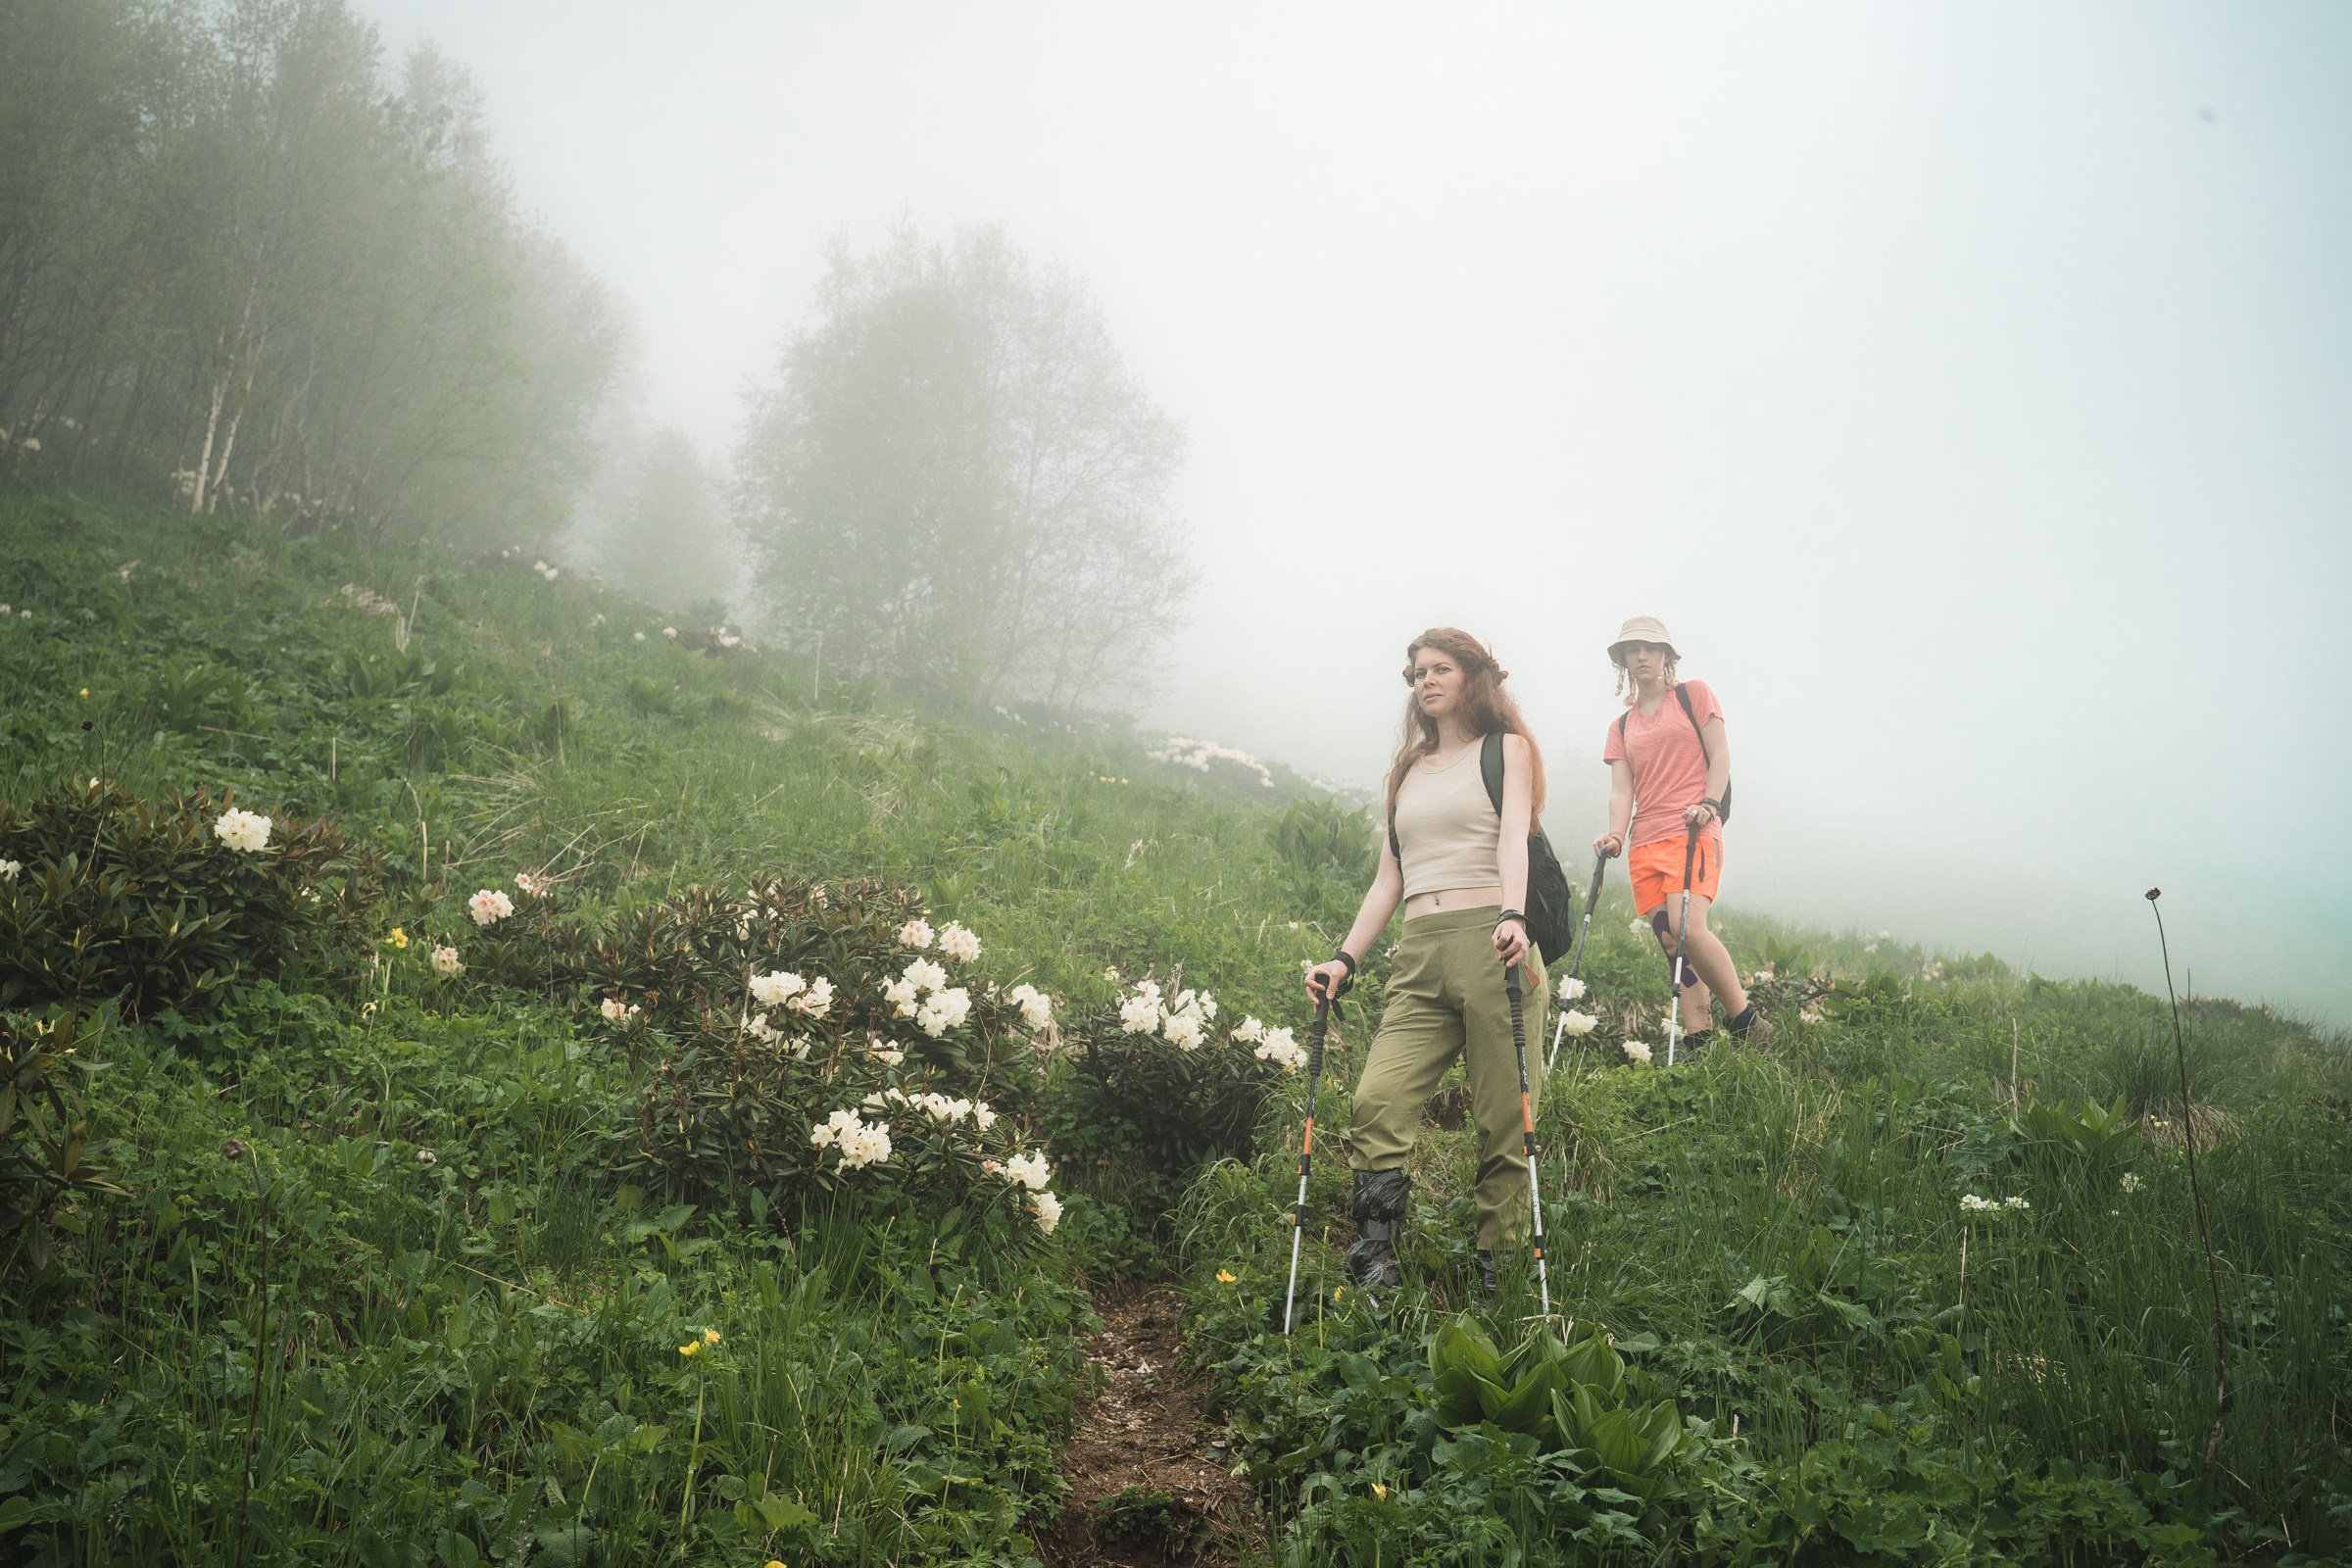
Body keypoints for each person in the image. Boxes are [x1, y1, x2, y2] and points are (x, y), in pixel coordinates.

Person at [1304, 628, 1548, 1298]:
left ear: (1474, 677)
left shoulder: (1508, 752)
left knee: (1503, 1122)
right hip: (1419, 952)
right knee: (1376, 1099)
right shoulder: (1406, 771)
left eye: (1441, 669)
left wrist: (1513, 915)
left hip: (1492, 942)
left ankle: (1498, 1277)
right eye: (1416, 673)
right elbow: (1389, 878)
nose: (1426, 681)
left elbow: (1512, 843)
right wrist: (1344, 959)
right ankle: (1376, 1259)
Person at [1593, 615, 1775, 1050]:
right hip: (1645, 843)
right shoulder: (1621, 727)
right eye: (1632, 649)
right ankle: (1699, 1038)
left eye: (1651, 648)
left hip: (1693, 830)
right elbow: (1622, 789)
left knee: (1687, 926)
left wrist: (1709, 805)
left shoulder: (1694, 695)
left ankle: (1747, 1021)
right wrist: (1616, 834)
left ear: (1666, 655)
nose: (1641, 656)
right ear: (1622, 659)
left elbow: (1721, 757)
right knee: (1672, 942)